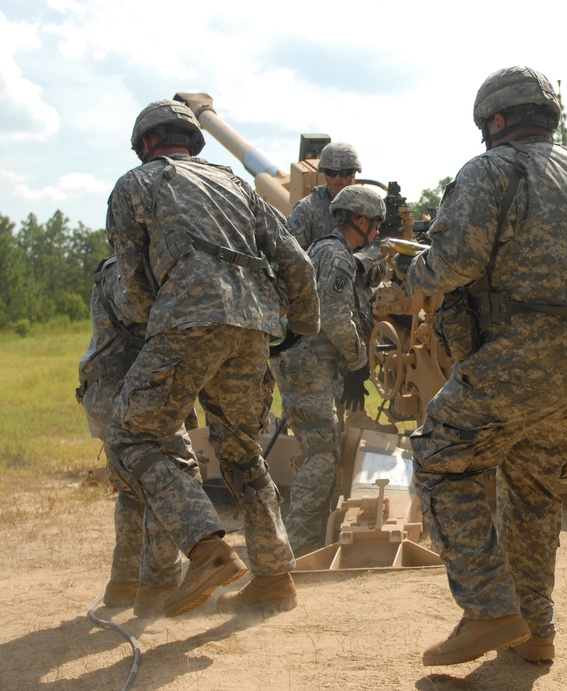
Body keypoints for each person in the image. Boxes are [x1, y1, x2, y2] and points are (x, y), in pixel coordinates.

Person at [399, 66, 567, 666]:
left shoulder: (491, 169)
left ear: (497, 120)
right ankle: (536, 632)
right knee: (534, 492)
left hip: (519, 353)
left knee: (438, 456)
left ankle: (487, 607)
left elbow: (452, 263)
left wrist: (413, 274)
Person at [104, 99, 319, 617]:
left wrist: (154, 322)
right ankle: (273, 578)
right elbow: (295, 259)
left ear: (147, 144)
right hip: (254, 325)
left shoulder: (136, 184)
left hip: (187, 319)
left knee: (133, 435)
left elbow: (132, 284)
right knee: (243, 450)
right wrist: (298, 328)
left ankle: (207, 549)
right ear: (192, 141)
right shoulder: (236, 184)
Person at [277, 185, 385, 556]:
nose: (376, 233)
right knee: (322, 451)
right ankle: (297, 546)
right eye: (375, 224)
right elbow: (337, 318)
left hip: (308, 365)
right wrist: (358, 363)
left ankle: (307, 537)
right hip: (310, 366)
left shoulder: (322, 250)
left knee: (322, 447)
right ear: (360, 221)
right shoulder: (337, 256)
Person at [77, 255, 186, 618]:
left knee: (134, 488)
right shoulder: (119, 269)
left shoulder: (132, 266)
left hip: (123, 392)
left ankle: (125, 581)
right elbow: (141, 308)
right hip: (123, 394)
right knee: (174, 475)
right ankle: (159, 586)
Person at [287, 141, 362, 250]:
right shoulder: (306, 209)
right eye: (331, 173)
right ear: (324, 173)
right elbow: (293, 251)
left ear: (353, 173)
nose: (337, 178)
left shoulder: (365, 207)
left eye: (344, 173)